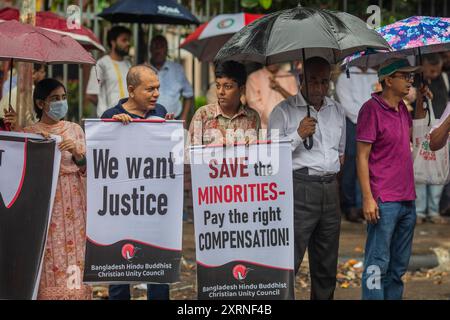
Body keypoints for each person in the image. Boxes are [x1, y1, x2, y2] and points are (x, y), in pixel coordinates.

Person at [268, 57, 346, 300]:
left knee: (326, 265)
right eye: (313, 80)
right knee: (289, 259)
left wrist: (330, 176)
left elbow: (341, 153)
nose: (319, 87)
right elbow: (271, 156)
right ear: (302, 79)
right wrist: (298, 135)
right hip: (298, 186)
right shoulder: (283, 111)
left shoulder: (336, 109)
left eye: (325, 82)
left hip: (330, 189)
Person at [102, 65, 173, 300]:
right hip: (122, 206)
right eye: (150, 89)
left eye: (158, 88)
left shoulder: (160, 112)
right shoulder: (110, 116)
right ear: (131, 90)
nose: (156, 94)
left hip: (154, 203)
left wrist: (170, 131)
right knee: (120, 270)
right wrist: (113, 129)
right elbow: (102, 161)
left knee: (158, 268)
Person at [357, 58, 420, 300]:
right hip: (384, 199)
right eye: (404, 76)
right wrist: (367, 198)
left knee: (398, 267)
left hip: (407, 197)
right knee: (377, 263)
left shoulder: (403, 107)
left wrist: (422, 101)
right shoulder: (370, 109)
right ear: (388, 80)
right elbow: (361, 157)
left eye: (410, 76)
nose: (409, 81)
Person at [22, 78, 91, 300]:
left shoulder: (75, 130)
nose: (61, 103)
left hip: (76, 205)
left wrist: (78, 154)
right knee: (50, 255)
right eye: (54, 99)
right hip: (47, 208)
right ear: (41, 103)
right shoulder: (30, 133)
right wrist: (39, 148)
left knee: (76, 255)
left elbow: (87, 169)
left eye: (63, 98)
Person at [336, 66, 378, 223]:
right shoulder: (346, 75)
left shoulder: (374, 74)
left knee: (370, 163)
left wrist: (371, 118)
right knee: (352, 164)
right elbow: (346, 104)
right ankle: (351, 206)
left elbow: (377, 97)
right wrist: (365, 118)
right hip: (353, 122)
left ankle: (365, 203)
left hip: (373, 122)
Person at [188, 61, 260, 146]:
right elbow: (188, 155)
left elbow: (260, 155)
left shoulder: (253, 117)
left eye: (227, 87)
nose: (220, 92)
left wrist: (253, 147)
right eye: (218, 86)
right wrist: (213, 148)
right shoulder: (202, 115)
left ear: (241, 89)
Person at [414, 54, 449, 224]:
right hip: (421, 127)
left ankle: (434, 211)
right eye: (431, 70)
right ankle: (419, 211)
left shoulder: (445, 79)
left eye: (437, 70)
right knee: (420, 167)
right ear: (423, 66)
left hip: (443, 129)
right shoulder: (416, 81)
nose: (434, 74)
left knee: (439, 167)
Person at [86, 26, 132, 117]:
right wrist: (106, 109)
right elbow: (91, 95)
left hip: (128, 118)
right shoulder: (101, 64)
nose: (128, 43)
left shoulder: (128, 65)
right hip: (109, 120)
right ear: (113, 42)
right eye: (124, 40)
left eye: (128, 40)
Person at [148, 35, 193, 122]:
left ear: (166, 49)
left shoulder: (177, 69)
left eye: (161, 46)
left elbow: (189, 94)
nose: (158, 50)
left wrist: (184, 117)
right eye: (155, 46)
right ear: (150, 49)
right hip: (149, 120)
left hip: (174, 120)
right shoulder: (143, 69)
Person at [246, 63, 298, 129]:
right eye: (269, 59)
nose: (272, 62)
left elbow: (296, 102)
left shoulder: (289, 76)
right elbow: (254, 105)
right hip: (264, 127)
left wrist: (280, 89)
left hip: (289, 125)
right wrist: (274, 119)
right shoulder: (253, 77)